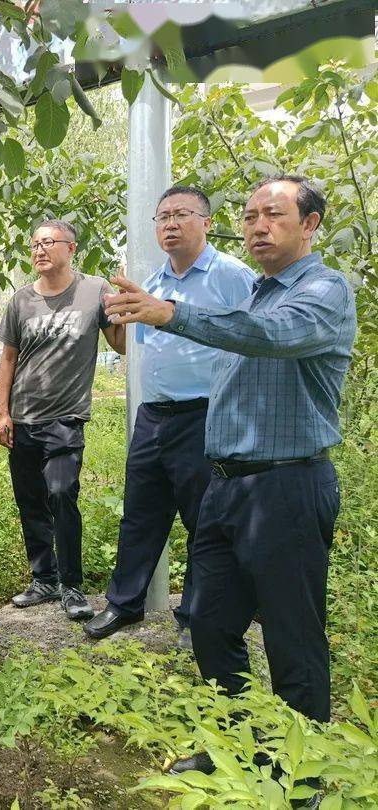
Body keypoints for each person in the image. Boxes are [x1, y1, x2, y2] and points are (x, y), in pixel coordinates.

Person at [104, 175, 356, 780]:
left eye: (273, 214)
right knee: (211, 624)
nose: (258, 226)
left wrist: (171, 314)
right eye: (249, 217)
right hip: (227, 486)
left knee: (293, 635)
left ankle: (303, 772)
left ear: (311, 224)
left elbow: (270, 338)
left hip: (287, 486)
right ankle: (239, 746)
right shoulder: (256, 293)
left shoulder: (323, 290)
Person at [85, 188, 254, 646]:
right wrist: (113, 323)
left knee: (205, 521)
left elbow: (256, 341)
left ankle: (196, 619)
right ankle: (123, 604)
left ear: (206, 220)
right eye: (162, 217)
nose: (171, 224)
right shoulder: (153, 281)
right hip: (153, 415)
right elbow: (132, 350)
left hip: (205, 414)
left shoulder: (232, 276)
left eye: (182, 214)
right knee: (140, 514)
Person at [0, 220, 126, 621]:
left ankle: (72, 585)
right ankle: (44, 579)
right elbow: (8, 359)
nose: (39, 250)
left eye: (48, 242)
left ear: (71, 248)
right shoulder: (20, 301)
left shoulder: (95, 290)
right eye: (34, 244)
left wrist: (125, 311)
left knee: (62, 494)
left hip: (66, 419)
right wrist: (3, 412)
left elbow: (118, 344)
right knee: (31, 501)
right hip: (23, 418)